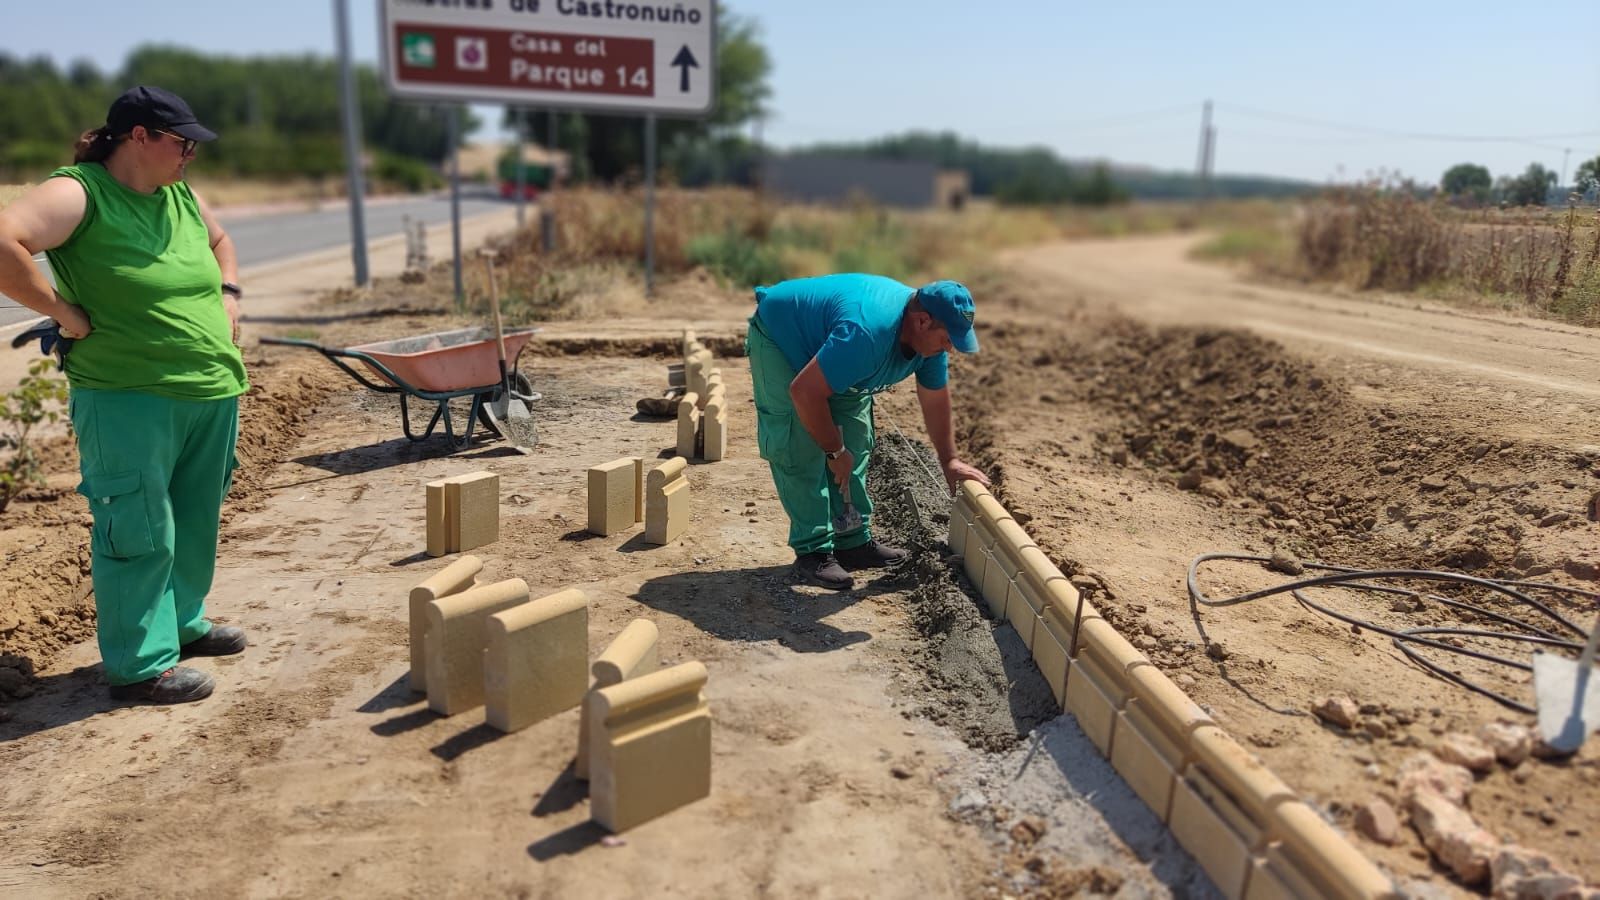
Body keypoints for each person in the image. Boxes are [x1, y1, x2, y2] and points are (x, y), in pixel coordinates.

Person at [0, 86, 249, 704]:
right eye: (182, 142)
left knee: (194, 521)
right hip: (127, 395)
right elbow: (4, 239)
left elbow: (221, 244)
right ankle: (141, 666)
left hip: (210, 387)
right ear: (139, 136)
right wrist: (61, 311)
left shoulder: (180, 194)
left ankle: (183, 624)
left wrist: (230, 293)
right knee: (138, 527)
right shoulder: (81, 192)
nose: (191, 154)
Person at [746, 274, 992, 590]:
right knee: (800, 445)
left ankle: (851, 543)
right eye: (947, 339)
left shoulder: (927, 344)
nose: (951, 348)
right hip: (784, 338)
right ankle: (814, 551)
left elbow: (934, 398)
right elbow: (805, 392)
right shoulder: (867, 333)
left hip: (838, 348)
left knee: (856, 441)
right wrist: (834, 451)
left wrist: (950, 461)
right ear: (921, 322)